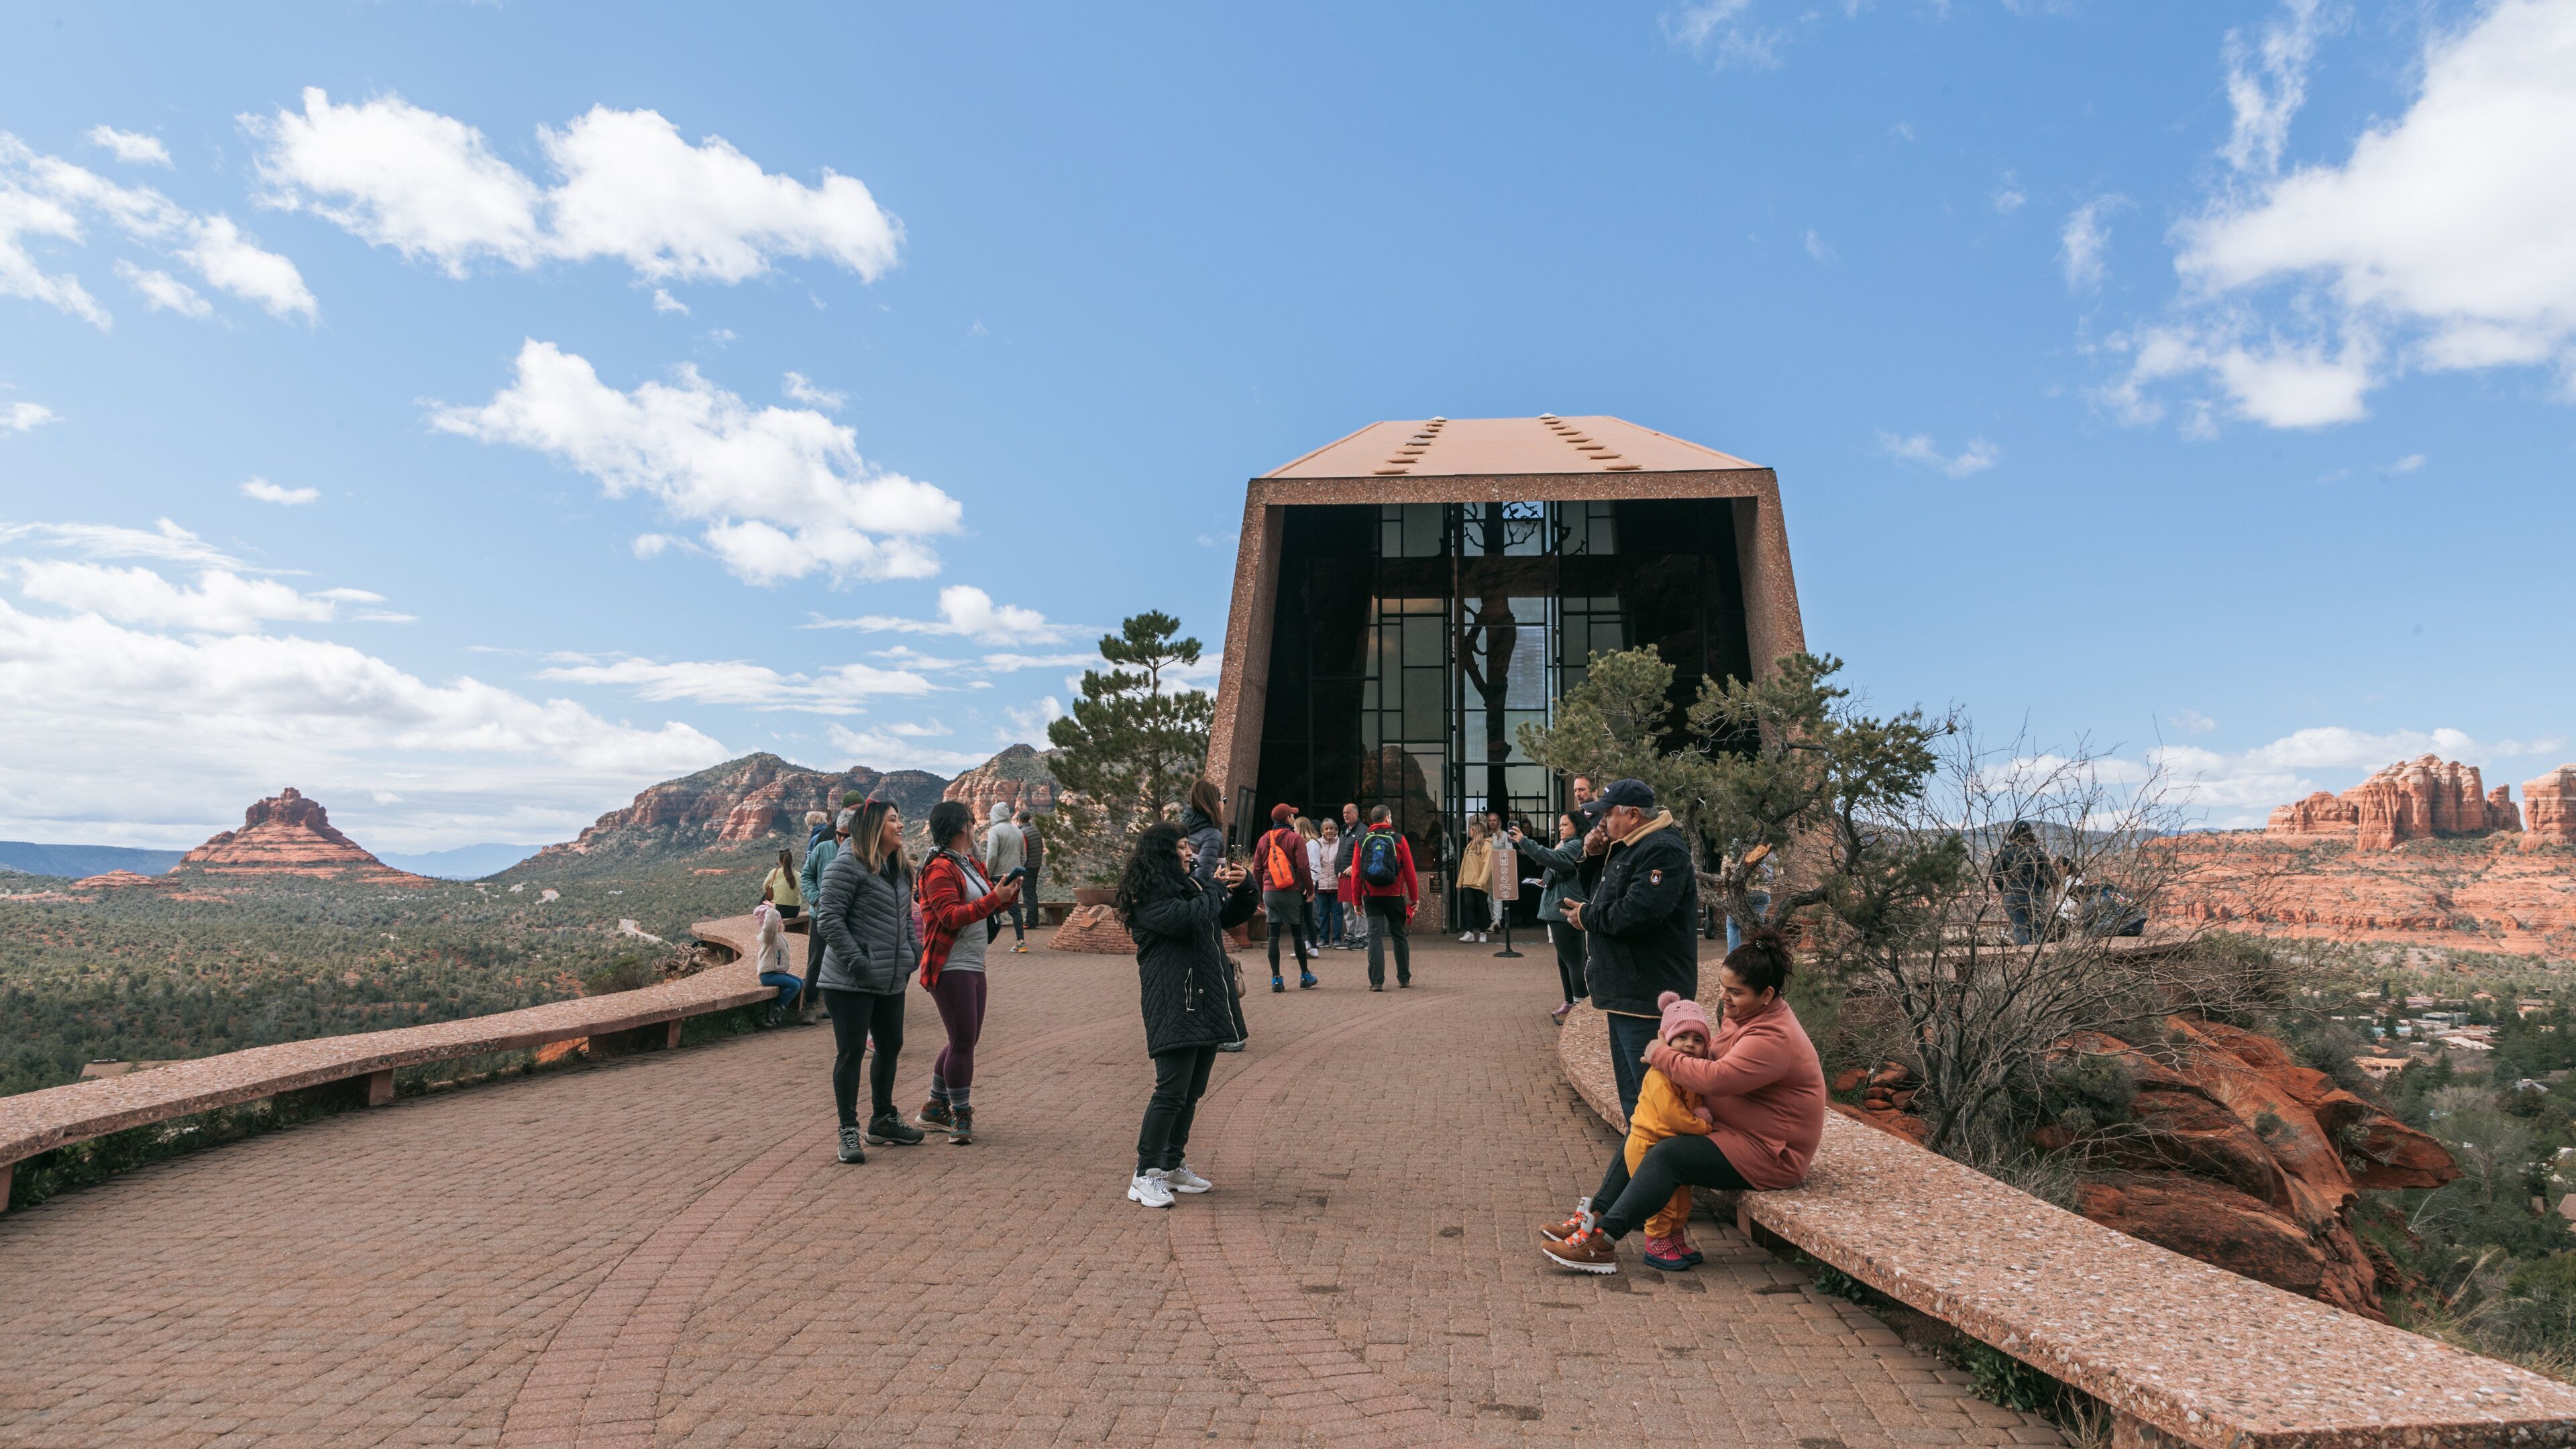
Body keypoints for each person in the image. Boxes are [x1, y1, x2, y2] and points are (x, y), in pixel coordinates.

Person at [1540, 934, 1825, 1273]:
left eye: (1735, 992)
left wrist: (1660, 1053)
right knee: (1643, 1128)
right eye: (1723, 987)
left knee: (1668, 1156)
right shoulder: (1747, 1015)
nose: (1724, 998)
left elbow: (1717, 1077)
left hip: (1769, 1153)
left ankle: (1602, 1242)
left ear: (1767, 995)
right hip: (1733, 1133)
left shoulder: (1774, 1038)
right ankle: (1594, 1217)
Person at [1119, 822, 1259, 1208]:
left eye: (1189, 846)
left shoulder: (1191, 888)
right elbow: (1189, 918)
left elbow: (1226, 915)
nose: (1191, 854)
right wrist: (1214, 888)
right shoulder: (1147, 896)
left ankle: (1171, 1163)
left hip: (1203, 999)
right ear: (1163, 852)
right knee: (1171, 1090)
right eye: (1182, 847)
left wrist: (1245, 885)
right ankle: (1144, 1174)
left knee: (1192, 1091)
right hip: (1174, 1003)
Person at [1558, 778, 1699, 1123]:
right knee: (1635, 1109)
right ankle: (1640, 1173)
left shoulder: (1662, 850)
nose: (1600, 824)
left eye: (1607, 815)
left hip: (1648, 997)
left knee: (1653, 1108)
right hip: (1626, 992)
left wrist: (1586, 917)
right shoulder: (1629, 845)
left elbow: (1637, 913)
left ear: (1633, 814)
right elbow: (1603, 894)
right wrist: (1591, 856)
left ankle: (1656, 1175)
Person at [816, 800, 927, 1163]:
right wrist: (858, 963)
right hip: (850, 981)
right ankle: (848, 1130)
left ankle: (882, 1120)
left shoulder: (898, 868)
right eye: (894, 820)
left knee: (891, 1046)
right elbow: (829, 921)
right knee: (850, 1054)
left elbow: (907, 918)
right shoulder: (844, 866)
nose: (901, 825)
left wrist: (912, 953)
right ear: (874, 827)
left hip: (891, 977)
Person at [915, 800, 1021, 1145]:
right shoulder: (938, 868)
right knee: (963, 1042)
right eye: (973, 822)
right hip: (951, 965)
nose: (976, 828)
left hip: (973, 963)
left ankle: (935, 1106)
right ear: (962, 827)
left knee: (965, 1039)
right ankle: (960, 1115)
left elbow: (985, 902)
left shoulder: (969, 863)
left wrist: (1004, 896)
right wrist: (994, 901)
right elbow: (950, 916)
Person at [1177, 780, 1248, 1051]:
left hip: (1191, 907)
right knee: (1217, 973)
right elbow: (1204, 875)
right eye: (1222, 800)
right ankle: (1230, 1035)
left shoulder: (1186, 830)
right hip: (1206, 908)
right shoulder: (1212, 835)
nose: (1223, 805)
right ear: (1212, 803)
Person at [1512, 813, 1590, 1024]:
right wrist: (1545, 881)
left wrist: (1524, 841)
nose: (1561, 828)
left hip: (1564, 910)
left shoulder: (1575, 845)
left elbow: (1553, 859)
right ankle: (1570, 1002)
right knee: (1564, 960)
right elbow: (1555, 868)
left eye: (1566, 825)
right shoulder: (1568, 844)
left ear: (1578, 827)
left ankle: (1579, 1006)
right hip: (1558, 908)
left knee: (1573, 960)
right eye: (1560, 825)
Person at [1346, 804, 1418, 990]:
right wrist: (1414, 898)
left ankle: (1377, 981)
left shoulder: (1361, 840)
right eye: (1391, 816)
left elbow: (1356, 873)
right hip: (1395, 895)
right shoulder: (1399, 839)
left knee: (1374, 936)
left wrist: (1356, 901)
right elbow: (1409, 871)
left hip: (1371, 896)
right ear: (1387, 818)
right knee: (1399, 935)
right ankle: (1404, 978)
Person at [1253, 803, 1318, 992]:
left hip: (1269, 891)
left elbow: (1257, 869)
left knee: (1274, 934)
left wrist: (1259, 896)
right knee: (1298, 933)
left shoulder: (1264, 839)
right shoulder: (1295, 839)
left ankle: (1276, 980)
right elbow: (1304, 867)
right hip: (1291, 890)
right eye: (1292, 815)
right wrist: (1310, 890)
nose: (1293, 818)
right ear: (1288, 819)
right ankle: (1305, 975)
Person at [796, 812, 841, 1024]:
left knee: (842, 961)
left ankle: (836, 1006)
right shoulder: (822, 845)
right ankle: (810, 1005)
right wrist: (817, 901)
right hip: (821, 914)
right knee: (816, 960)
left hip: (846, 916)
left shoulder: (860, 850)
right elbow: (807, 876)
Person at [1990, 821, 2057, 946]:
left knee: (2020, 930)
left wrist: (2006, 891)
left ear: (2014, 836)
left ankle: (2024, 962)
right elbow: (2052, 876)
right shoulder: (2038, 853)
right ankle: (2038, 962)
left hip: (2013, 895)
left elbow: (1995, 875)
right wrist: (2042, 888)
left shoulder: (2006, 853)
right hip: (2035, 896)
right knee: (2037, 931)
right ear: (2030, 835)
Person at [981, 800, 1029, 955]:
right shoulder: (1018, 831)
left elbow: (992, 856)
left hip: (997, 877)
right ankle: (1021, 943)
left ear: (995, 815)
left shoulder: (995, 831)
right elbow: (1024, 857)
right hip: (1015, 877)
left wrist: (987, 875)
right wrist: (1016, 871)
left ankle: (982, 941)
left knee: (988, 908)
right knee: (1015, 910)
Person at [752, 898, 803, 1028]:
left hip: (778, 972)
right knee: (794, 985)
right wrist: (772, 911)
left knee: (801, 983)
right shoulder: (769, 937)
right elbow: (769, 928)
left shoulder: (779, 936)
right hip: (768, 975)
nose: (780, 921)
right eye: (778, 920)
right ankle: (777, 1006)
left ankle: (781, 1006)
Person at [1724, 842, 1773, 953]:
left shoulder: (1734, 847)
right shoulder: (1768, 849)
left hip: (1742, 892)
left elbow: (1726, 879)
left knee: (1733, 926)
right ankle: (1757, 958)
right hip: (1762, 893)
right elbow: (1775, 876)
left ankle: (1734, 959)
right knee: (1757, 929)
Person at [1454, 816, 1493, 944]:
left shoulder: (1487, 845)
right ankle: (1469, 932)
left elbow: (1488, 864)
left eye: (1471, 830)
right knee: (1468, 905)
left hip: (1480, 883)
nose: (1469, 832)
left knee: (1481, 907)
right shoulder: (1469, 846)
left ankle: (1483, 933)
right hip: (1468, 882)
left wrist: (1482, 881)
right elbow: (1464, 865)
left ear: (1475, 831)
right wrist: (1460, 882)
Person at [1336, 803, 1368, 952]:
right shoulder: (1344, 830)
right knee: (1347, 907)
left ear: (1356, 814)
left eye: (1348, 812)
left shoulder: (1363, 831)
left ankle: (1363, 937)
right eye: (1344, 813)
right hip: (1344, 876)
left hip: (1357, 876)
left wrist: (1356, 867)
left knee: (1359, 907)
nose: (1345, 815)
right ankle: (1351, 937)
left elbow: (1365, 853)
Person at [1313, 818, 1344, 951]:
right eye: (1326, 829)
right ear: (1322, 831)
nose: (1329, 831)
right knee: (1323, 913)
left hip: (1337, 884)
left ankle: (1337, 940)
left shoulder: (1341, 843)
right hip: (1321, 885)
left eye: (1332, 828)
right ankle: (1323, 939)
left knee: (1337, 913)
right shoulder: (1317, 844)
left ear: (1336, 830)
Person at [1016, 808, 1045, 947]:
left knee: (1028, 894)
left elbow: (1024, 851)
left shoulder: (1022, 832)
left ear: (1020, 820)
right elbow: (1041, 847)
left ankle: (1030, 922)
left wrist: (1021, 865)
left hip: (1028, 866)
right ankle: (1035, 920)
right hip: (1037, 865)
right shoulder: (1036, 830)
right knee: (1032, 892)